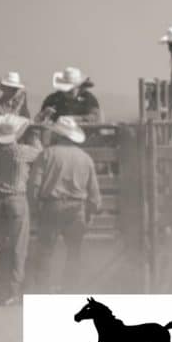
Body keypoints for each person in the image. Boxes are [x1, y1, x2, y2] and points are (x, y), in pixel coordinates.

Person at [29, 116, 101, 293]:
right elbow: (94, 192)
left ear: (57, 135)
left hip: (51, 206)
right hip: (77, 209)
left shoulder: (46, 154)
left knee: (45, 251)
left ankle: (42, 291)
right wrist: (92, 210)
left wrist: (34, 207)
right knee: (74, 252)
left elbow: (34, 184)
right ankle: (71, 290)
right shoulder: (85, 158)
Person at [0, 113, 41, 306]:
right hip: (17, 199)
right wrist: (33, 135)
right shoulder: (23, 151)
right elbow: (42, 153)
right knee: (18, 247)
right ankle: (13, 291)